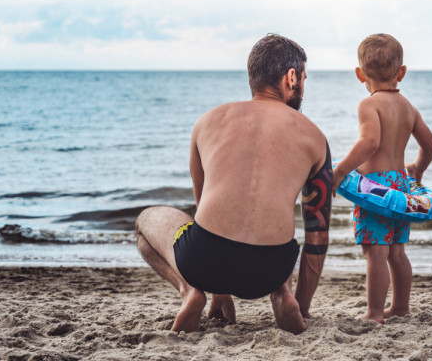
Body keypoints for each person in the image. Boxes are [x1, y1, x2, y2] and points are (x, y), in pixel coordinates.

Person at [135, 34, 332, 334]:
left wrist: (218, 290)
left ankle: (191, 291)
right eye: (303, 79)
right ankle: (284, 296)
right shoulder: (315, 137)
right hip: (270, 270)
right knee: (281, 229)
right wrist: (302, 307)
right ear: (291, 78)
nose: (303, 87)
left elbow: (205, 210)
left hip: (204, 261)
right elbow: (317, 236)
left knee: (145, 221)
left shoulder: (207, 121)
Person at [331, 33, 432, 324]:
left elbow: (370, 142)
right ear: (401, 73)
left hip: (375, 189)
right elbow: (430, 145)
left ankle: (375, 312)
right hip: (400, 187)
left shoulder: (369, 104)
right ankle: (401, 307)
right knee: (397, 252)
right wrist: (416, 169)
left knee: (375, 252)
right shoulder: (408, 108)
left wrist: (339, 172)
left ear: (359, 74)